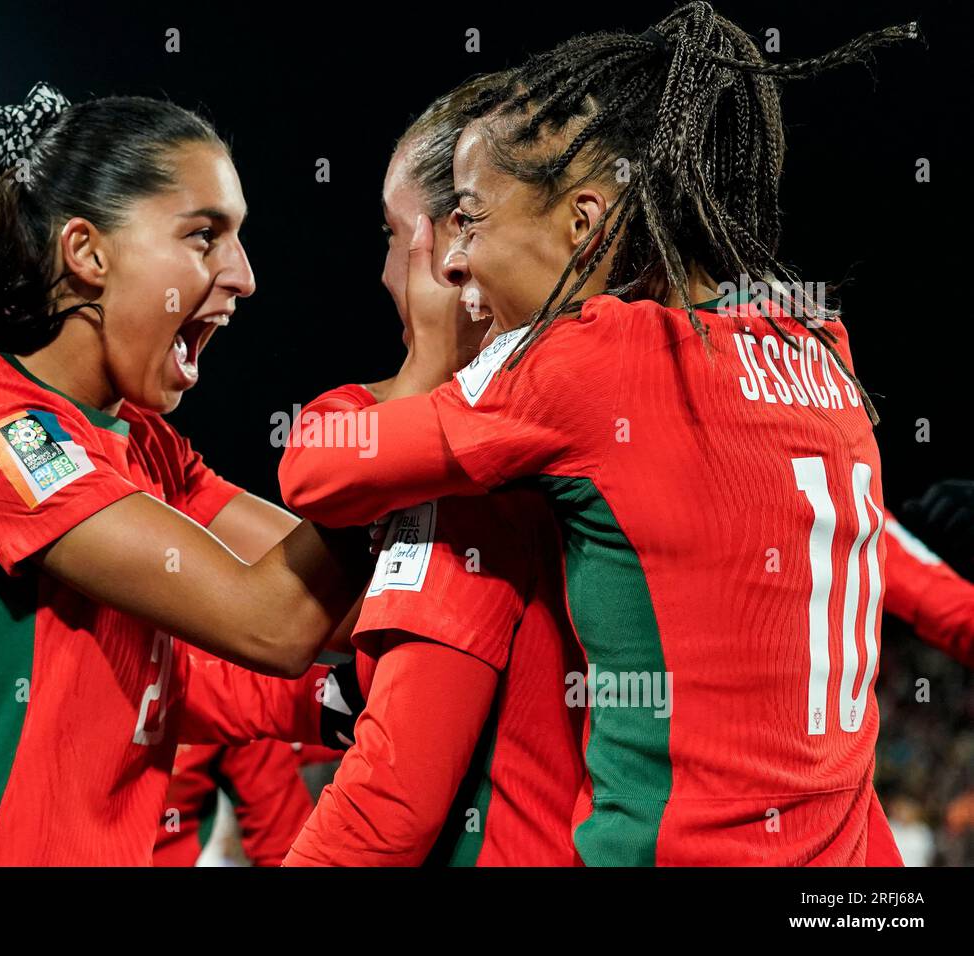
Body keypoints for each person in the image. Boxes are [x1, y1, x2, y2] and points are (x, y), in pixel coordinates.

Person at [279, 6, 919, 865]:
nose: (456, 257)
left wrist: (429, 362)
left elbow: (318, 471)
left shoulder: (595, 362)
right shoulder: (822, 348)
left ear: (582, 224)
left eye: (470, 217)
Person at [0, 84, 367, 865]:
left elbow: (338, 607)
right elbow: (271, 621)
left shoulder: (144, 442)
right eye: (205, 236)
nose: (243, 276)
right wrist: (413, 415)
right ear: (88, 253)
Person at [286, 77, 586, 867]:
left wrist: (426, 364)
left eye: (391, 236)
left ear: (450, 249)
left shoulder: (471, 471)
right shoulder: (624, 387)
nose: (388, 270)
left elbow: (389, 806)